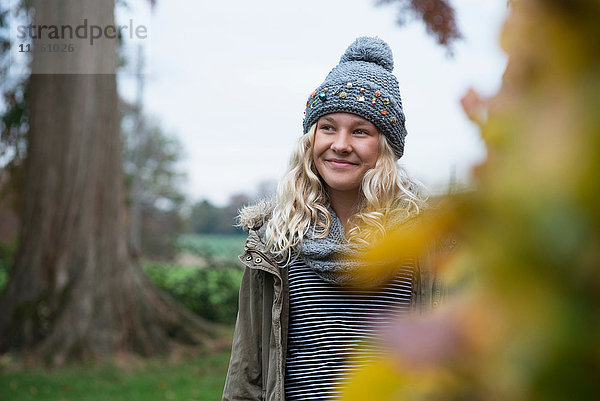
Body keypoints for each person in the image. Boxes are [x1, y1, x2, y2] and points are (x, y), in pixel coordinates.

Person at [222, 36, 444, 401]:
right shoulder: (275, 239)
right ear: (310, 138)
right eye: (328, 127)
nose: (340, 144)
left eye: (360, 131)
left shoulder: (422, 238)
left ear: (384, 146)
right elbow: (247, 369)